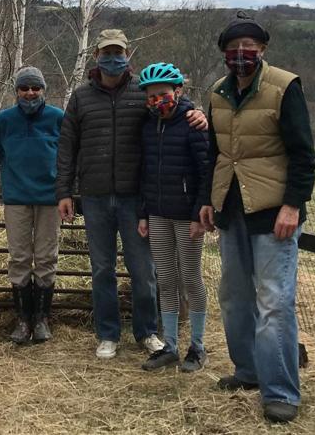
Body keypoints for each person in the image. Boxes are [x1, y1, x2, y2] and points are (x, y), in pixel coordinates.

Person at [56, 29, 207, 360]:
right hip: (94, 196)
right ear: (96, 56)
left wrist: (196, 111)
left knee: (143, 269)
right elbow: (67, 145)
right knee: (101, 268)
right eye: (106, 53)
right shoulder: (81, 97)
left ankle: (147, 331)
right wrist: (64, 190)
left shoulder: (143, 92)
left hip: (135, 197)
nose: (113, 59)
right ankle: (108, 334)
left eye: (118, 52)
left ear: (128, 56)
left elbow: (172, 109)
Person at [198, 13, 315, 423]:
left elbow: (304, 154)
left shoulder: (285, 87)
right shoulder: (217, 92)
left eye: (250, 47)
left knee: (274, 303)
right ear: (224, 54)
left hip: (273, 212)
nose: (241, 55)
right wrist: (207, 199)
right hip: (231, 209)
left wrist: (293, 205)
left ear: (263, 50)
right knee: (234, 298)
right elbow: (213, 153)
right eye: (233, 49)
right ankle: (247, 371)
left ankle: (281, 390)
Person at [133, 63, 211, 373]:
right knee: (165, 280)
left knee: (191, 279)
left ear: (178, 91)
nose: (157, 101)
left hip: (187, 216)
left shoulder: (193, 124)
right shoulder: (149, 127)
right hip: (158, 213)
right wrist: (143, 213)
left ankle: (198, 345)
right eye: (151, 96)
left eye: (163, 94)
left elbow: (206, 172)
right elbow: (145, 172)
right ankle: (171, 345)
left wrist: (199, 213)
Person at [0, 66, 64, 344]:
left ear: (43, 90)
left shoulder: (57, 118)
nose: (30, 93)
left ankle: (41, 319)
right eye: (24, 88)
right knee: (18, 256)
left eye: (35, 88)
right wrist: (12, 165)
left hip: (49, 198)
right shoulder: (4, 120)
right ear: (16, 91)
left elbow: (68, 151)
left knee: (45, 256)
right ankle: (22, 319)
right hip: (16, 197)